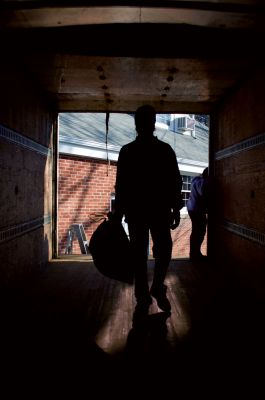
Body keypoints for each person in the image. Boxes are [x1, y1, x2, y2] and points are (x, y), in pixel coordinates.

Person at [113, 105, 183, 324]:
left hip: (136, 211)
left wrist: (119, 212)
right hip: (159, 210)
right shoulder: (164, 150)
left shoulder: (127, 151)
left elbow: (121, 186)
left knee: (138, 254)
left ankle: (142, 296)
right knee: (164, 249)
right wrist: (175, 208)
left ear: (137, 124)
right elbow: (175, 181)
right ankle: (157, 286)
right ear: (153, 124)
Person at [187, 167, 209, 261]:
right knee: (200, 232)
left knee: (196, 231)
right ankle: (195, 254)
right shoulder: (203, 183)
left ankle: (194, 253)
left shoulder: (195, 180)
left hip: (191, 208)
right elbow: (203, 194)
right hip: (197, 210)